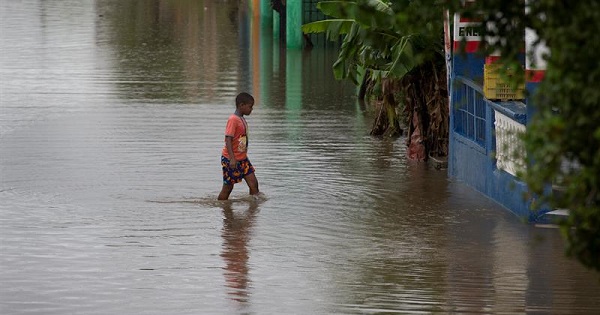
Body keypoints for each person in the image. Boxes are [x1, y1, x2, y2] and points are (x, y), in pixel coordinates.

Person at [217, 92, 259, 200]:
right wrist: (232, 158)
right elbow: (228, 138)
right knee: (228, 188)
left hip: (243, 159)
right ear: (242, 105)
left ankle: (253, 210)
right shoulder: (233, 120)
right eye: (250, 107)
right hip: (231, 159)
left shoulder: (242, 119)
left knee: (253, 184)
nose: (251, 109)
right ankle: (222, 207)